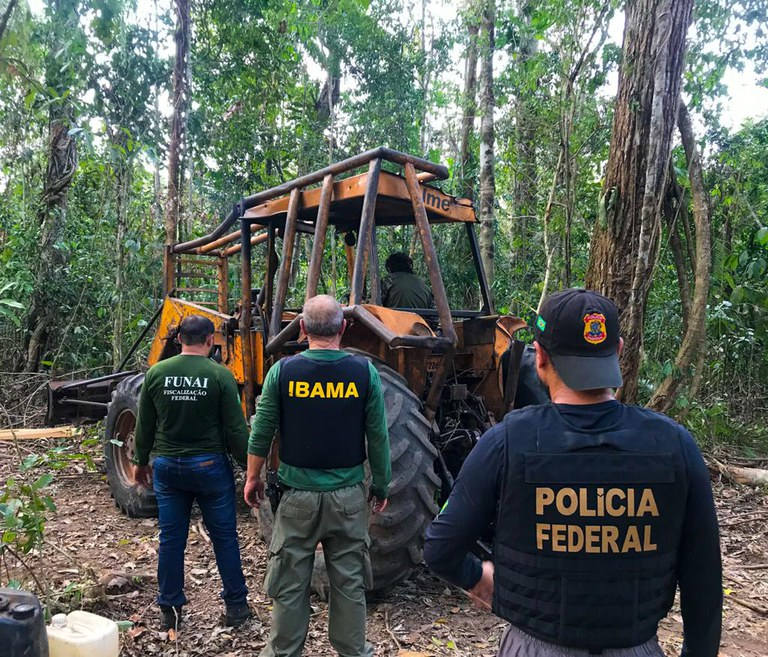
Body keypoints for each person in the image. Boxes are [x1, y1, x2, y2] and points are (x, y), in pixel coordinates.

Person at [424, 289, 722, 657]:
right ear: (618, 350)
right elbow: (704, 581)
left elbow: (440, 547)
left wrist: (478, 578)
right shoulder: (675, 444)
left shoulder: (506, 442)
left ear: (541, 358)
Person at [245, 294, 391, 657]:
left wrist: (252, 478)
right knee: (349, 582)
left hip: (297, 500)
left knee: (290, 583)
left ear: (303, 329)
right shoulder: (364, 372)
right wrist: (382, 484)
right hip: (348, 500)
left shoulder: (283, 372)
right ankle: (353, 650)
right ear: (343, 328)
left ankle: (284, 651)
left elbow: (262, 431)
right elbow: (378, 435)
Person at [133, 315, 252, 631]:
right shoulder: (219, 376)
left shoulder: (157, 373)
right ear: (210, 340)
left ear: (178, 340)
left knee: (171, 539)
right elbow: (235, 431)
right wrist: (250, 468)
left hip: (168, 468)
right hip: (210, 468)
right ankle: (237, 607)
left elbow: (144, 424)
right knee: (225, 537)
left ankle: (170, 610)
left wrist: (139, 460)